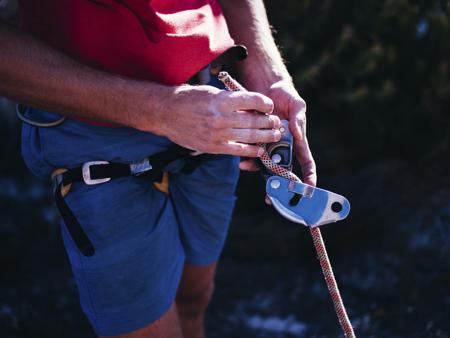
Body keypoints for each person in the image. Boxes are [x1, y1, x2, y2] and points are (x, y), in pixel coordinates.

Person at [0, 0, 317, 337]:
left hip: (213, 107)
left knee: (193, 300)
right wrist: (162, 111)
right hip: (95, 132)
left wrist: (266, 73)